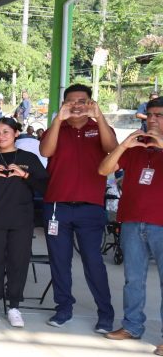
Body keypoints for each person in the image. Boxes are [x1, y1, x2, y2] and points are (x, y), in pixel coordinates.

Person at [39, 84, 118, 332]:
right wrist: (58, 120)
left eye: (82, 100)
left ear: (90, 103)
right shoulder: (57, 128)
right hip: (57, 206)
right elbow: (45, 150)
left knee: (93, 261)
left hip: (90, 207)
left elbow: (112, 148)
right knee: (59, 261)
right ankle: (63, 308)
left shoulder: (99, 127)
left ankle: (105, 314)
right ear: (63, 104)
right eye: (70, 101)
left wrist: (99, 116)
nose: (76, 105)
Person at [98, 97, 163, 355]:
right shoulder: (136, 147)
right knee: (133, 279)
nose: (152, 119)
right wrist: (124, 145)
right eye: (150, 115)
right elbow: (104, 169)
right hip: (133, 222)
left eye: (159, 115)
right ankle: (132, 326)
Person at [0, 117, 48, 327]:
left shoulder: (28, 157)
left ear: (16, 133)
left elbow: (45, 187)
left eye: (5, 132)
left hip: (21, 219)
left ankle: (14, 306)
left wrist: (25, 175)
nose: (0, 136)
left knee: (18, 262)